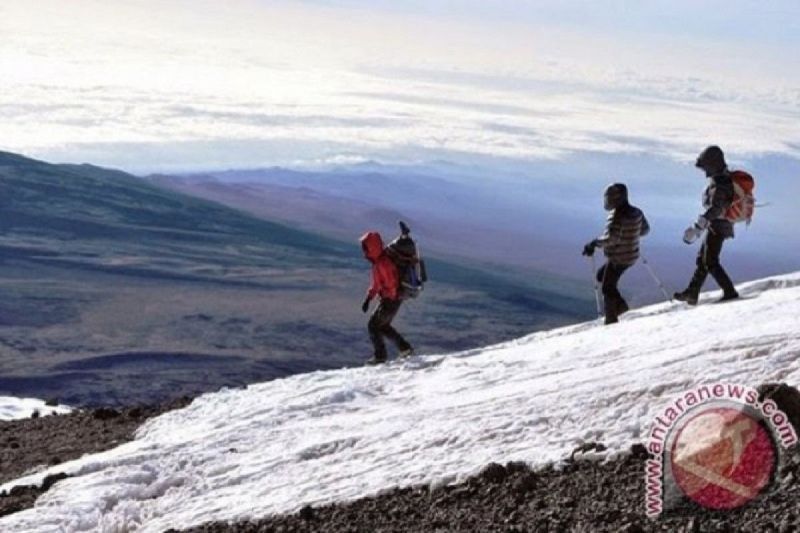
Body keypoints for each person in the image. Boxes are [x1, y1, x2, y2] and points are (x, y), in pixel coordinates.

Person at [674, 145, 739, 305]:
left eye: (706, 167)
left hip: (719, 226)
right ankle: (692, 292)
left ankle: (729, 291)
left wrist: (698, 226)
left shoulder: (721, 183)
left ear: (713, 164)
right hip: (718, 225)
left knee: (710, 261)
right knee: (703, 259)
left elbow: (716, 208)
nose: (705, 171)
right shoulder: (721, 179)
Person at [583, 183, 650, 325]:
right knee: (602, 276)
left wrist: (593, 244)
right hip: (631, 254)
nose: (609, 200)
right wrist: (631, 234)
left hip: (619, 257)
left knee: (607, 287)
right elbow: (645, 230)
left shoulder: (617, 216)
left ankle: (611, 318)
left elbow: (611, 239)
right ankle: (620, 306)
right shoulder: (637, 212)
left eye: (611, 197)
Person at [360, 231, 414, 364]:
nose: (364, 251)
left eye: (365, 247)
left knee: (373, 325)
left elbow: (390, 284)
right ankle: (405, 348)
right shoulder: (380, 261)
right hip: (392, 299)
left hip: (390, 300)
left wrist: (385, 297)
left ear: (372, 247)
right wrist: (368, 298)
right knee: (383, 326)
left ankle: (380, 356)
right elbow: (377, 284)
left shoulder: (383, 264)